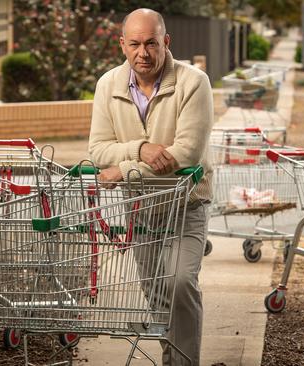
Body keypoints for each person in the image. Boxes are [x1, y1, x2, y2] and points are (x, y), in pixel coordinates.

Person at [88, 8, 213, 366]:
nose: (143, 52)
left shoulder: (193, 83)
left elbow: (185, 154)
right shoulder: (107, 84)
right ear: (122, 46)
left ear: (166, 42)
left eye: (151, 44)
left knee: (180, 283)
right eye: (135, 44)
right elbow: (98, 150)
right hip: (141, 209)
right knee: (156, 291)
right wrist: (140, 149)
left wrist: (123, 170)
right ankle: (172, 355)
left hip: (186, 204)